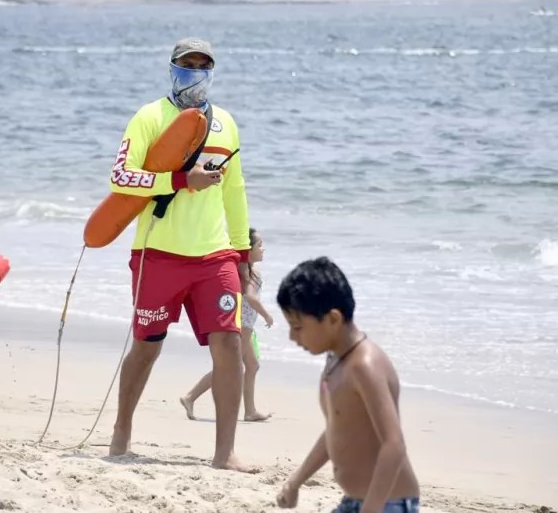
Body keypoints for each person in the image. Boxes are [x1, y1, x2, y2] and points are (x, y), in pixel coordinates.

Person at [107, 37, 253, 472]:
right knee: (147, 347)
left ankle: (225, 453)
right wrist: (179, 180)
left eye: (204, 65)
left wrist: (243, 254)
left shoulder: (225, 123)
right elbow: (121, 179)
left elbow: (236, 190)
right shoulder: (150, 117)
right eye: (187, 64)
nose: (196, 71)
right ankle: (120, 433)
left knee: (230, 345)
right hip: (158, 254)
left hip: (214, 256)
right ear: (172, 68)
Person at [274, 257, 420, 513]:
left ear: (332, 319)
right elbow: (337, 430)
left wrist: (372, 508)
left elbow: (394, 444)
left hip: (388, 504)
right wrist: (296, 481)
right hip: (355, 502)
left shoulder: (363, 365)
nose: (292, 336)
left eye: (298, 327)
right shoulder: (335, 361)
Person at [180, 227, 274, 422]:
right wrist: (266, 315)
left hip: (246, 323)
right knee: (229, 366)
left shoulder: (250, 270)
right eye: (259, 245)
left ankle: (250, 411)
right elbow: (249, 297)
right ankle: (190, 396)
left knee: (252, 365)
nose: (263, 249)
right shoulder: (244, 271)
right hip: (243, 324)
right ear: (248, 250)